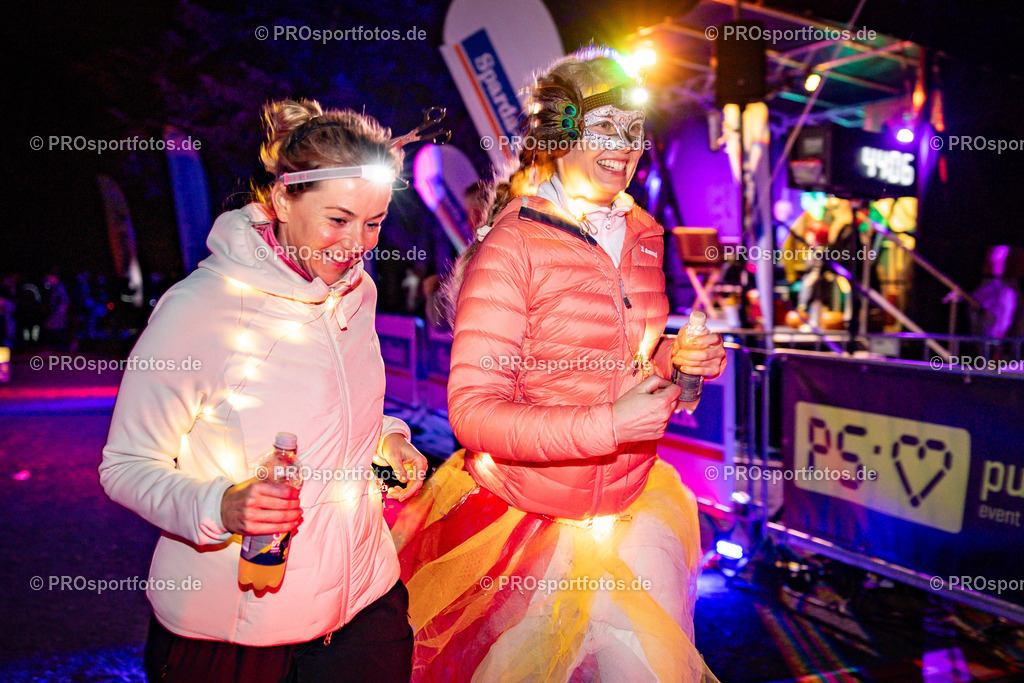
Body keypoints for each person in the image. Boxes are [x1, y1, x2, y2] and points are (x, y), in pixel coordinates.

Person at [392, 50, 727, 682]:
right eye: (605, 127)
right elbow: (472, 413)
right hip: (524, 527)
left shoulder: (644, 234)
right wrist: (608, 422)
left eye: (634, 130)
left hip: (632, 512)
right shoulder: (510, 245)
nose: (624, 146)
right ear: (560, 134)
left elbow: (639, 378)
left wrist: (682, 367)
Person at [99, 98, 427, 682]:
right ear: (281, 199)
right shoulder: (201, 309)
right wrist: (218, 505)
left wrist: (388, 441)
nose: (356, 244)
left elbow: (340, 408)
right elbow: (125, 464)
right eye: (338, 218)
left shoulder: (357, 292)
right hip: (247, 634)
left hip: (366, 606)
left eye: (373, 223)